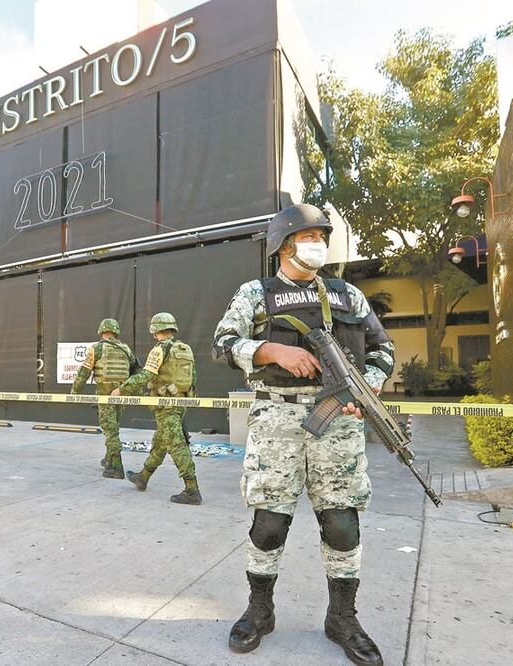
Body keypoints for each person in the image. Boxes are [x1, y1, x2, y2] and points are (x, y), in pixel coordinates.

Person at [212, 204, 394, 664]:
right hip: (277, 420)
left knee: (342, 523)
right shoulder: (255, 293)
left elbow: (382, 349)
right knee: (269, 522)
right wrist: (269, 350)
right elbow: (222, 344)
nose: (319, 243)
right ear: (283, 244)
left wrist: (365, 388)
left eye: (322, 235)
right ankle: (260, 611)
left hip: (340, 424)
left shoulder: (347, 295)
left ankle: (342, 618)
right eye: (309, 235)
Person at [110, 312, 200, 505]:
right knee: (160, 443)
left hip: (165, 405)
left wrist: (122, 389)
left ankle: (191, 489)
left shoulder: (160, 349)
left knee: (177, 446)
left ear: (155, 331)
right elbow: (193, 378)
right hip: (180, 403)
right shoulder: (185, 348)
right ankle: (143, 477)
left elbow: (146, 375)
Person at [70, 318, 137, 479]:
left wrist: (75, 392)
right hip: (121, 395)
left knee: (110, 432)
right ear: (116, 332)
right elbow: (135, 370)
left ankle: (116, 467)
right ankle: (108, 460)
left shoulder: (97, 348)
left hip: (105, 396)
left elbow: (83, 373)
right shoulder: (126, 348)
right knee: (114, 428)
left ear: (102, 332)